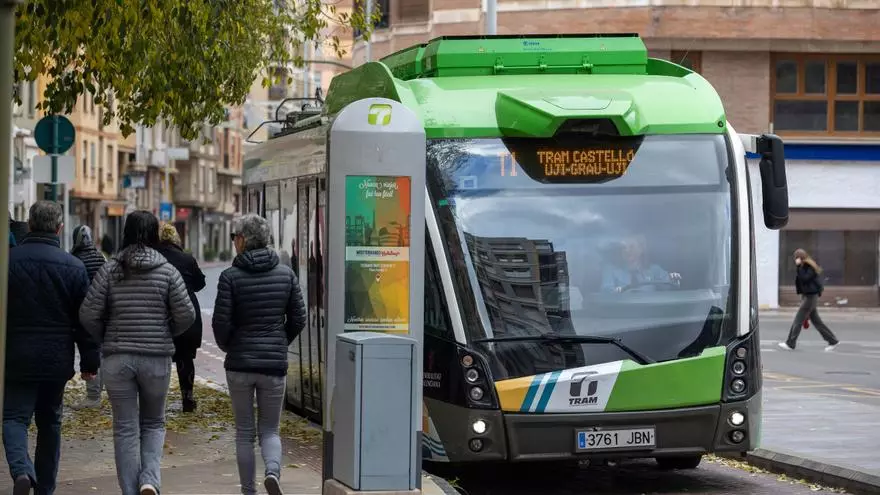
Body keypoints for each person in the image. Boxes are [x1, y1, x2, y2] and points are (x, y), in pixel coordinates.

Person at [79, 211, 196, 495]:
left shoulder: (110, 270)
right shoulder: (168, 271)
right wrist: (167, 333)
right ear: (155, 235)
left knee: (125, 428)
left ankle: (130, 491)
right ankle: (149, 481)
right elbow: (187, 315)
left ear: (126, 233)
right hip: (156, 358)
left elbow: (88, 314)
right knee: (154, 422)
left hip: (117, 359)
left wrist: (105, 338)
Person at [4, 201, 100, 495]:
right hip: (56, 359)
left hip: (15, 356)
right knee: (50, 424)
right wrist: (89, 363)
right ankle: (45, 488)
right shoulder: (74, 267)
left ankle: (21, 470)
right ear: (59, 229)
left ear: (30, 225)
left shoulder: (8, 261)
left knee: (13, 418)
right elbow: (83, 320)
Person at [213, 214, 306, 495]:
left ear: (242, 240)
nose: (234, 243)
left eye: (234, 238)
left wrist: (232, 346)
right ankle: (273, 471)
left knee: (244, 432)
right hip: (273, 365)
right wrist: (279, 341)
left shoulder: (230, 277)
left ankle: (248, 491)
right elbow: (298, 318)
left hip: (240, 365)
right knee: (270, 429)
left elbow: (220, 323)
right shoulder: (286, 274)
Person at [155, 222, 206, 412]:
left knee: (160, 359)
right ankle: (187, 398)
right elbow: (200, 284)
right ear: (176, 238)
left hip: (160, 313)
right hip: (187, 314)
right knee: (185, 358)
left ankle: (157, 401)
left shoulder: (155, 257)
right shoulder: (187, 259)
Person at [70, 225, 109, 410]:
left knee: (90, 352)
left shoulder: (74, 259)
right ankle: (98, 392)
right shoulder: (101, 257)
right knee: (100, 351)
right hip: (103, 312)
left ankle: (93, 396)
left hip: (84, 312)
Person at [778, 249, 840, 352]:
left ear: (799, 258)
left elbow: (804, 279)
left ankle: (790, 343)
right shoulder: (805, 266)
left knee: (798, 320)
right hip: (807, 296)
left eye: (796, 258)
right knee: (816, 321)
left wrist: (798, 267)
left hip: (811, 297)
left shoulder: (808, 266)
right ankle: (832, 340)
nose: (795, 260)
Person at [600, 234, 680, 293]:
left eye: (632, 247)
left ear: (641, 249)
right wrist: (616, 292)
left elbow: (670, 285)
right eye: (624, 247)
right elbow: (607, 292)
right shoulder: (611, 271)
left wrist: (673, 279)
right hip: (620, 313)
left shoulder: (654, 270)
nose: (627, 251)